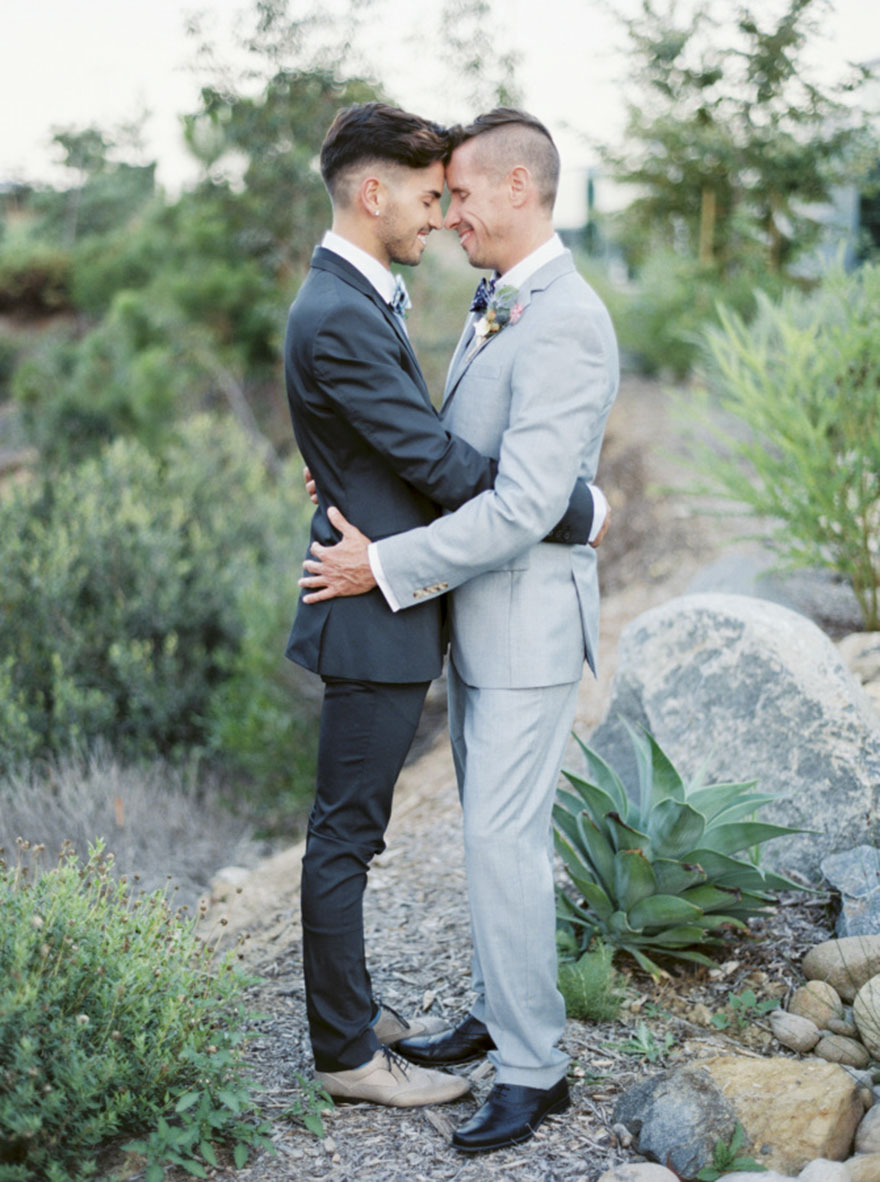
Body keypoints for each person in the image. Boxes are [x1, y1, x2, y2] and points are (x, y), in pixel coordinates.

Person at [299, 108, 619, 1151]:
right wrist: (354, 465)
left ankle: (536, 1067)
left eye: (464, 194)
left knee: (503, 845)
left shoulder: (565, 318)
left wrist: (385, 561)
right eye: (437, 197)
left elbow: (523, 503)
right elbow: (442, 449)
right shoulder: (499, 304)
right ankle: (498, 1009)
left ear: (518, 188)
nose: (452, 216)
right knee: (489, 840)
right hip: (480, 616)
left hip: (524, 623)